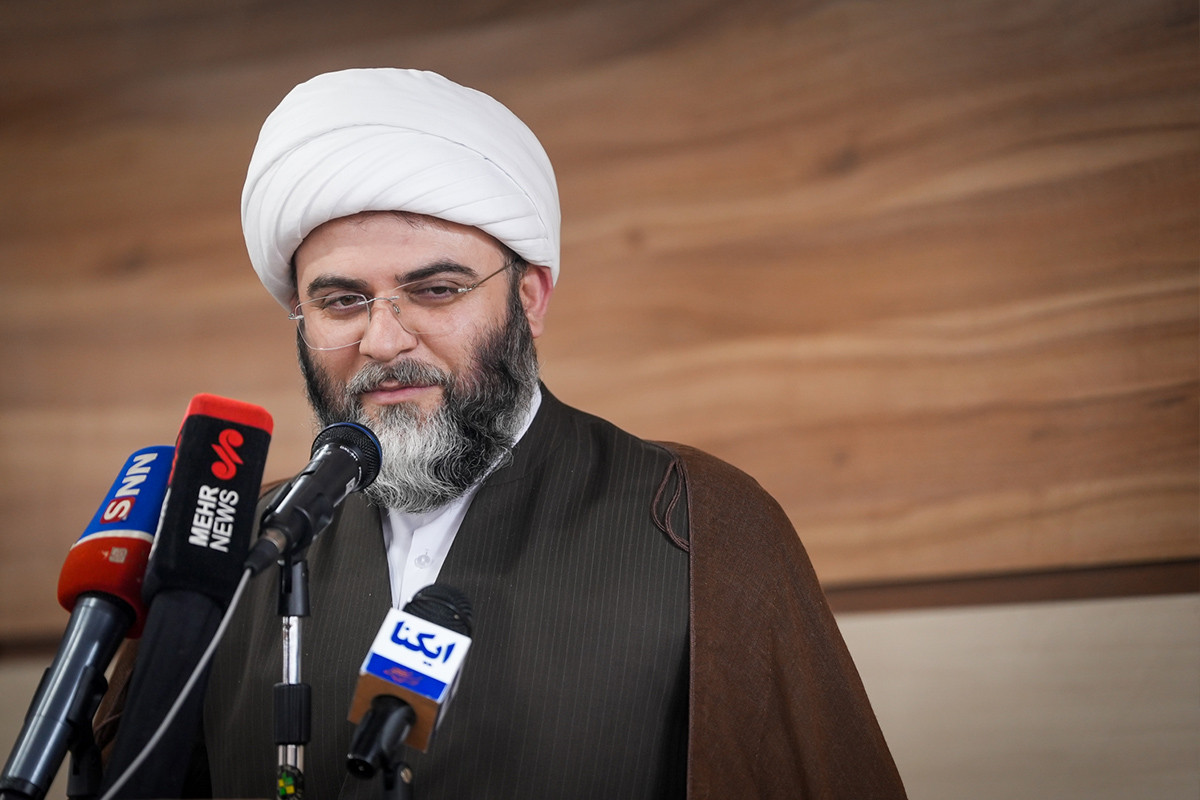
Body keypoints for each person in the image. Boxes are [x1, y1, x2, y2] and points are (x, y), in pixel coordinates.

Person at [103, 68, 906, 799]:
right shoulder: (227, 548)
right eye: (342, 301)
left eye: (435, 289)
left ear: (530, 297)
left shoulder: (700, 521)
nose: (383, 339)